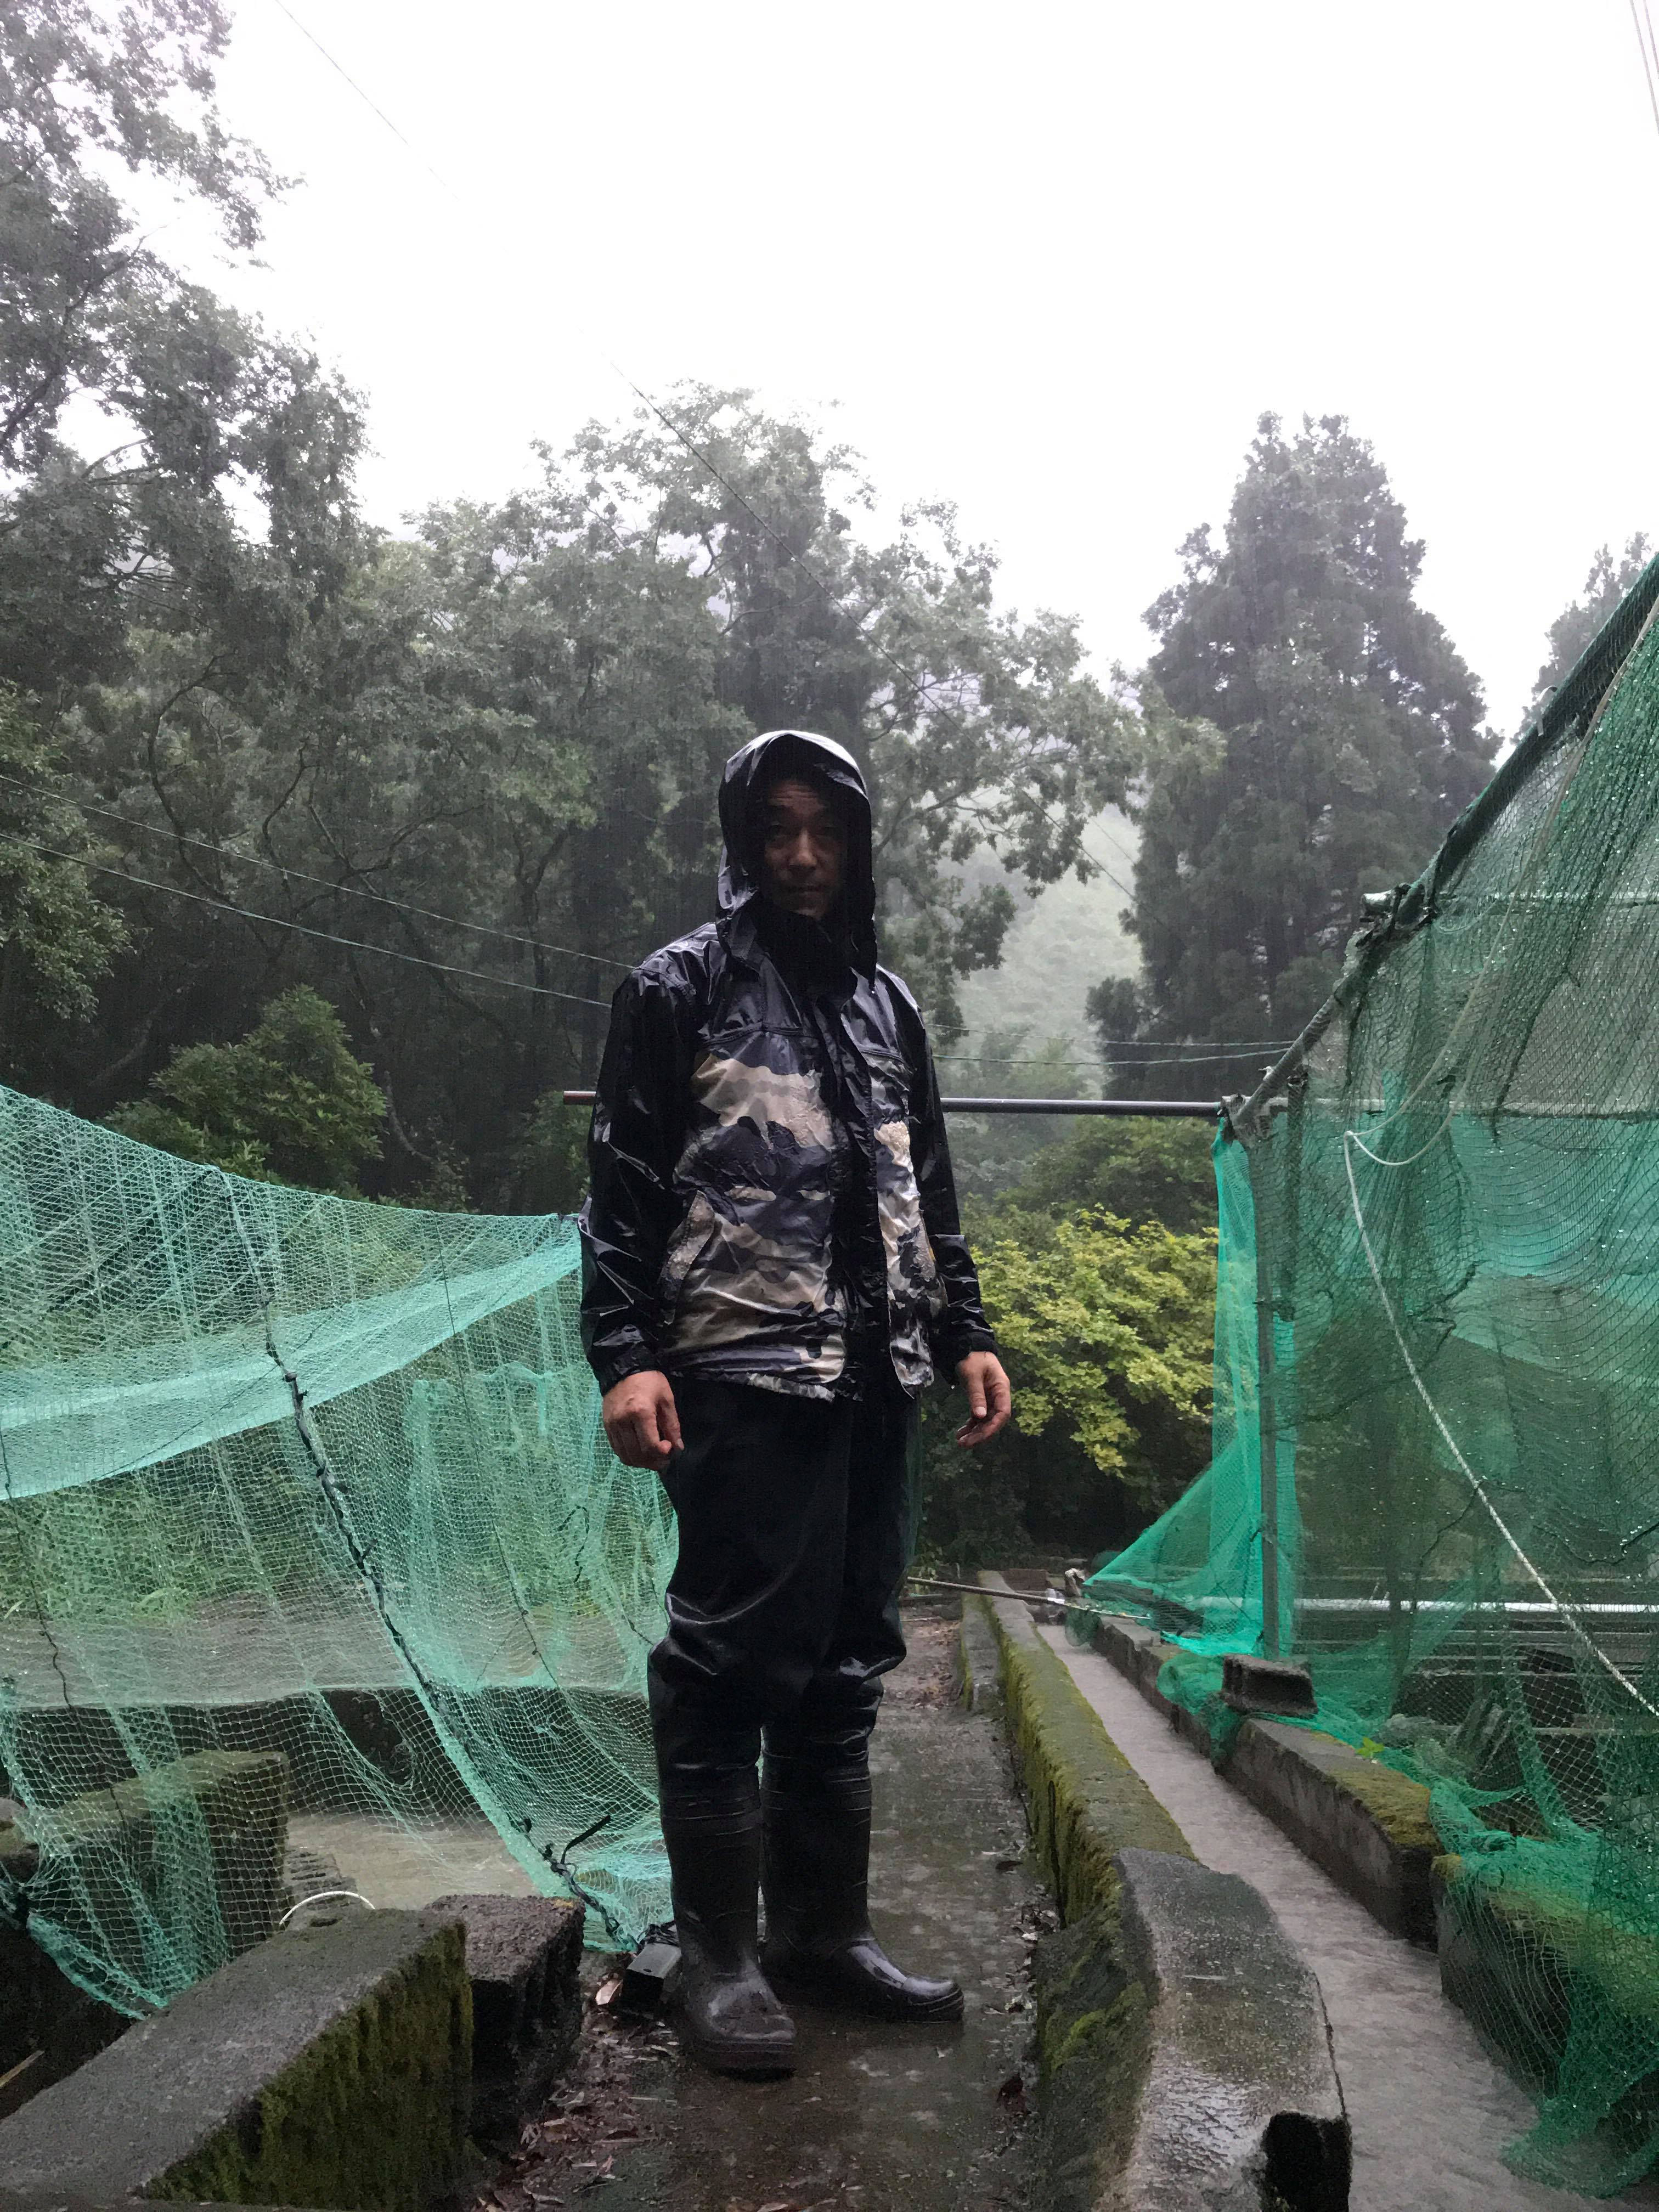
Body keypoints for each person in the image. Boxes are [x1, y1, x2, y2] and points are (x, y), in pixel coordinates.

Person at [579, 727, 1012, 2076]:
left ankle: (825, 1937)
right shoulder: (681, 986)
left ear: (858, 843)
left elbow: (927, 1183)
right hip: (739, 1372)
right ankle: (721, 1963)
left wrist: (966, 1330)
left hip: (878, 1378)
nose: (803, 856)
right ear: (742, 842)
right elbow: (622, 1184)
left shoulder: (888, 1006)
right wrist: (626, 1353)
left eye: (826, 831)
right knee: (727, 1664)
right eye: (777, 829)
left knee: (848, 1660)